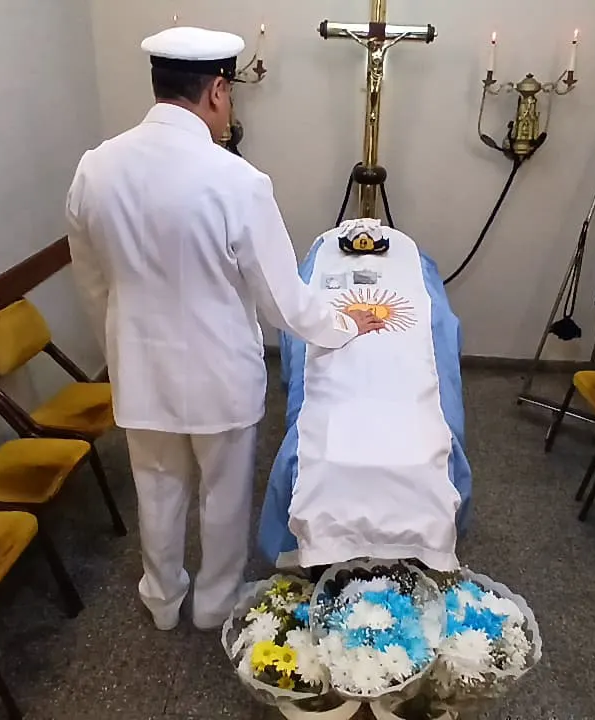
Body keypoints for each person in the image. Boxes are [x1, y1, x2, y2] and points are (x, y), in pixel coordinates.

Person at [65, 26, 384, 631]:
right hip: (219, 374)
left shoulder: (94, 169)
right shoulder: (238, 181)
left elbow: (92, 285)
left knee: (157, 490)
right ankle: (214, 605)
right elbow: (283, 301)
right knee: (223, 495)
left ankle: (162, 600)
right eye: (230, 94)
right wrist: (345, 323)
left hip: (140, 369)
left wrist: (120, 352)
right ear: (216, 90)